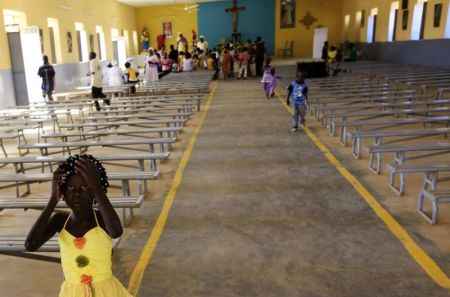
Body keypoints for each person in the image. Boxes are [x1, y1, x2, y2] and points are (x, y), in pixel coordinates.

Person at [25, 154, 132, 297]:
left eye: (85, 188)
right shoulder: (60, 221)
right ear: (62, 191)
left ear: (94, 191)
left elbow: (116, 231)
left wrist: (96, 186)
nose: (76, 193)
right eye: (69, 188)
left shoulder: (102, 219)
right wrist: (52, 201)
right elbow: (31, 244)